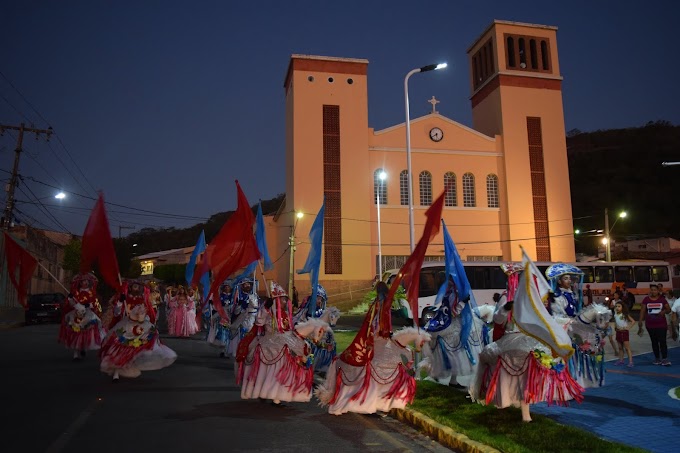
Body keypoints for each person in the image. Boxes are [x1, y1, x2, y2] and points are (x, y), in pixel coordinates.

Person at [100, 280, 177, 381]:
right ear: (130, 288)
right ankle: (116, 372)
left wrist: (146, 321)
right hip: (125, 325)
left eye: (137, 286)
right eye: (134, 286)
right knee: (119, 347)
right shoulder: (124, 298)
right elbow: (117, 313)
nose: (136, 288)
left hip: (139, 326)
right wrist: (119, 302)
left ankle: (133, 363)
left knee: (142, 344)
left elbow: (148, 313)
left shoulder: (143, 300)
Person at [58, 273, 106, 360]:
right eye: (83, 281)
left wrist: (89, 305)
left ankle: (83, 347)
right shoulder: (75, 292)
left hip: (87, 313)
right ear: (80, 283)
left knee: (91, 328)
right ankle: (75, 353)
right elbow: (70, 304)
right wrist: (70, 298)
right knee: (76, 332)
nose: (85, 282)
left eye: (87, 281)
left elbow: (95, 302)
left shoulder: (91, 292)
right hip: (76, 314)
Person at [637, 284, 671, 366]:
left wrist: (663, 312)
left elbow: (668, 309)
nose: (653, 291)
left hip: (661, 325)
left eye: (655, 290)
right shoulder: (646, 300)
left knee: (662, 341)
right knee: (654, 342)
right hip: (650, 325)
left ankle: (665, 359)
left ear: (658, 291)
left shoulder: (662, 299)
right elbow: (642, 310)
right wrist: (640, 321)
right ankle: (657, 359)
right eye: (651, 290)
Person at [613, 301, 636, 367]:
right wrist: (615, 327)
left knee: (627, 348)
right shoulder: (615, 314)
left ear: (622, 307)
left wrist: (627, 328)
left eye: (619, 306)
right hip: (618, 332)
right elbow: (616, 321)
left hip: (624, 332)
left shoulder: (624, 314)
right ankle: (621, 360)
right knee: (620, 347)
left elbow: (633, 321)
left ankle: (631, 362)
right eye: (616, 306)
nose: (617, 308)